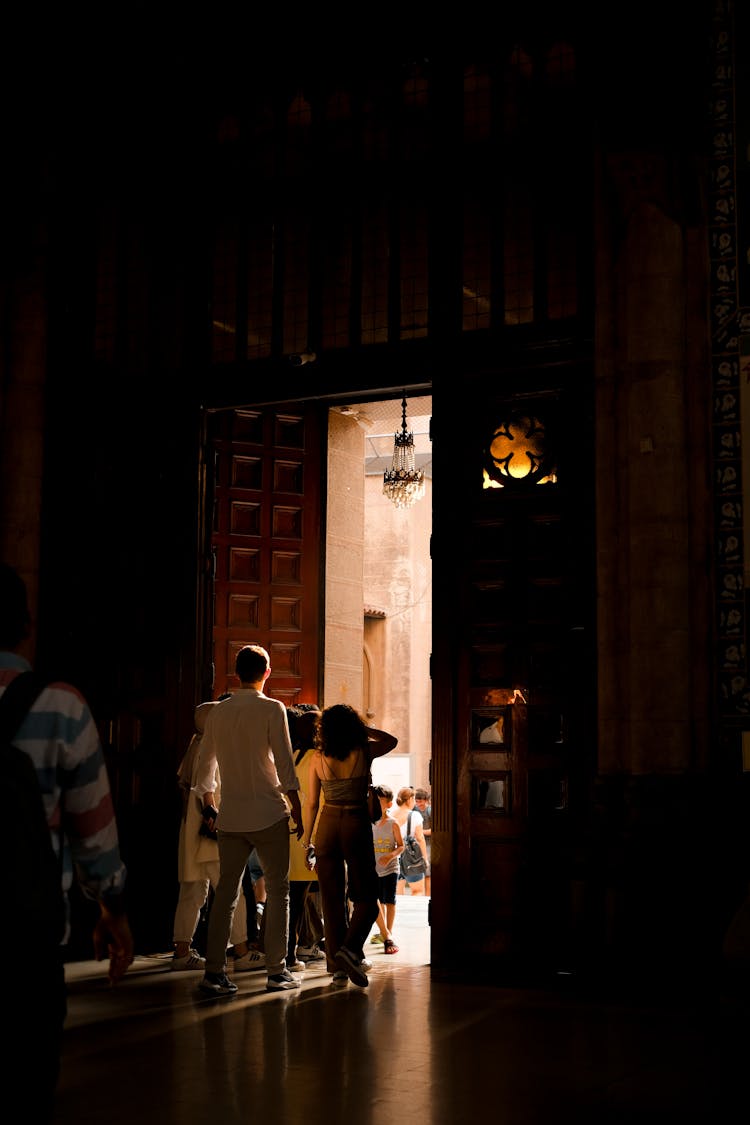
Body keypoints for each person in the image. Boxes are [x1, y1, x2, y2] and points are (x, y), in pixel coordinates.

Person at [0, 562, 134, 1121]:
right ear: (24, 626)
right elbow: (92, 829)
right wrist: (111, 907)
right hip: (22, 937)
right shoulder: (59, 707)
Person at [195, 644, 304, 995]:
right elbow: (285, 765)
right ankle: (276, 971)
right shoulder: (273, 708)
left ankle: (214, 973)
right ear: (267, 672)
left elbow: (204, 766)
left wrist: (210, 803)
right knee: (278, 891)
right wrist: (297, 808)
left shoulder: (218, 712)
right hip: (269, 811)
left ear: (236, 673)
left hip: (232, 815)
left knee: (225, 893)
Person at [302, 703, 397, 987]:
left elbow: (310, 802)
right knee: (367, 896)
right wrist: (361, 729)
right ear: (354, 727)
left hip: (327, 826)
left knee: (331, 900)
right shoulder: (364, 751)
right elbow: (391, 741)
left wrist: (307, 839)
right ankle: (349, 949)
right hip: (354, 823)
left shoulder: (317, 757)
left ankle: (337, 965)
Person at [171, 700, 262, 972]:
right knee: (231, 891)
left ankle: (181, 951)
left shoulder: (194, 746)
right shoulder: (214, 749)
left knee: (192, 892)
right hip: (212, 831)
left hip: (191, 831)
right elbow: (211, 792)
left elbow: (184, 786)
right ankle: (243, 952)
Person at [285, 704, 326, 970]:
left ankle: (291, 953)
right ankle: (333, 952)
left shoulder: (292, 756)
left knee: (295, 900)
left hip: (294, 832)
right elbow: (319, 800)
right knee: (329, 898)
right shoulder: (320, 758)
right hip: (316, 832)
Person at [372, 783, 404, 954]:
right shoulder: (369, 823)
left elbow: (401, 846)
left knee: (389, 901)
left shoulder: (393, 823)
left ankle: (388, 934)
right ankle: (385, 934)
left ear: (389, 804)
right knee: (377, 901)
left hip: (391, 868)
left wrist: (390, 856)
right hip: (374, 869)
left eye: (381, 801)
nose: (377, 804)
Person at [393, 786, 429, 896]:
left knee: (398, 893)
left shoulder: (391, 814)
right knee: (417, 891)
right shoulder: (414, 815)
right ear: (409, 799)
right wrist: (425, 859)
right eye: (414, 799)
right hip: (412, 859)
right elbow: (420, 838)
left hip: (394, 858)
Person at [414, 787, 432, 896]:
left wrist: (420, 832)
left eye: (420, 801)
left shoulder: (430, 811)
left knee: (427, 872)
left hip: (429, 843)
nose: (418, 803)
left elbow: (434, 830)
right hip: (417, 843)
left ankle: (428, 896)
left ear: (426, 800)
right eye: (416, 801)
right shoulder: (414, 810)